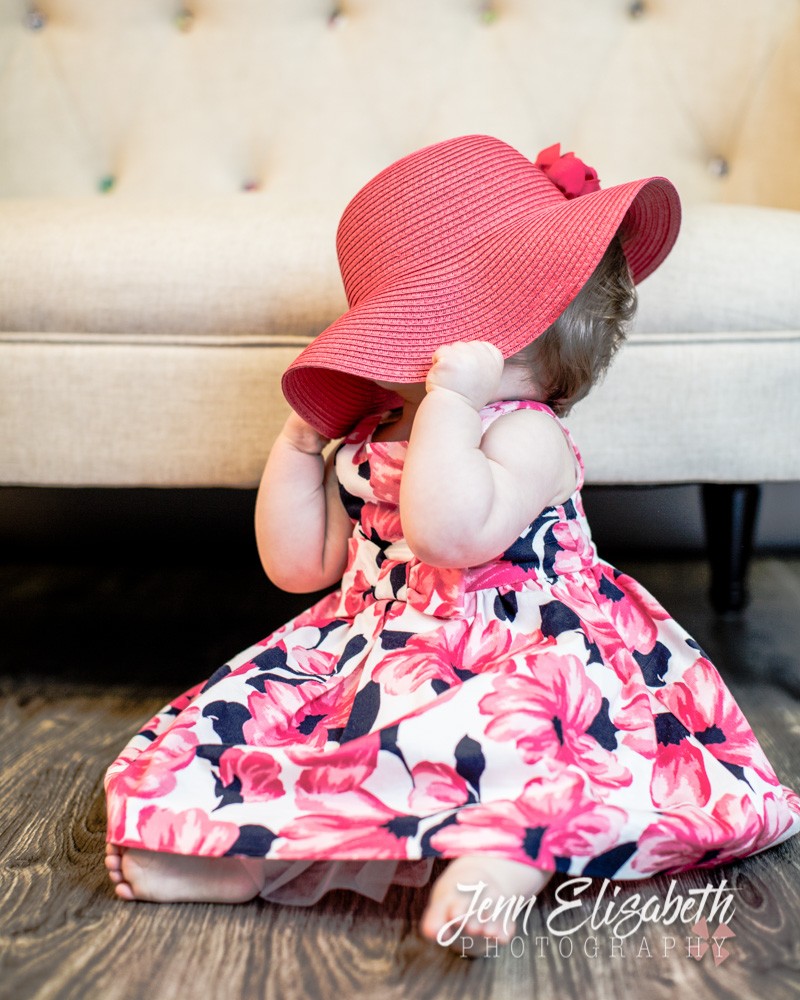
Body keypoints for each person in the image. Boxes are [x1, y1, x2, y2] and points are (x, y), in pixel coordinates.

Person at [104, 135, 800, 951]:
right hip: (373, 651)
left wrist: (448, 407)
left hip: (524, 654)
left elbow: (449, 533)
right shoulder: (371, 434)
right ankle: (248, 856)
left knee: (528, 750)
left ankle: (499, 867)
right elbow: (300, 567)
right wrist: (298, 449)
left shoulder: (527, 433)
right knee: (282, 743)